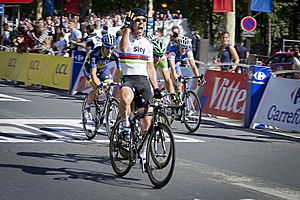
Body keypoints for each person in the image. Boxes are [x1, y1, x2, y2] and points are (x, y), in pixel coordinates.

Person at [117, 8, 161, 167]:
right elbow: (123, 49)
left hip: (143, 83)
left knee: (147, 121)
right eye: (137, 20)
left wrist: (156, 88)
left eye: (143, 20)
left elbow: (150, 68)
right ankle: (124, 125)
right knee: (125, 97)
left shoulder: (147, 43)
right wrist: (127, 27)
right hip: (129, 79)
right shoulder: (124, 39)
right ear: (132, 22)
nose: (141, 22)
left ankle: (142, 151)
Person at [82, 34, 120, 122]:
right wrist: (99, 85)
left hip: (103, 69)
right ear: (103, 46)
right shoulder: (95, 54)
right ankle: (87, 108)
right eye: (107, 48)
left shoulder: (115, 54)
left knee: (110, 87)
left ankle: (108, 115)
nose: (110, 51)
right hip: (90, 71)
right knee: (98, 91)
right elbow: (93, 74)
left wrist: (119, 83)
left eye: (112, 48)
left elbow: (119, 72)